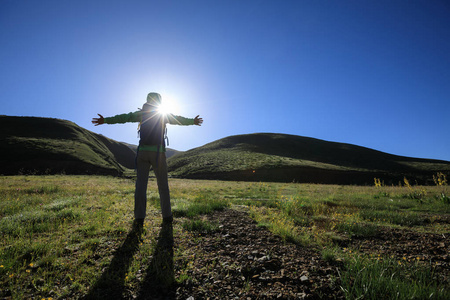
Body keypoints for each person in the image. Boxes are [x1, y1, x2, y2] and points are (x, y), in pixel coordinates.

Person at [92, 92, 203, 223]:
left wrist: (105, 120)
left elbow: (123, 118)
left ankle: (139, 218)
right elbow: (178, 119)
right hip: (158, 153)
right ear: (159, 101)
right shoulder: (163, 114)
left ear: (147, 100)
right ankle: (167, 217)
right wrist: (193, 121)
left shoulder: (141, 114)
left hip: (142, 152)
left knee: (140, 186)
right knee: (163, 186)